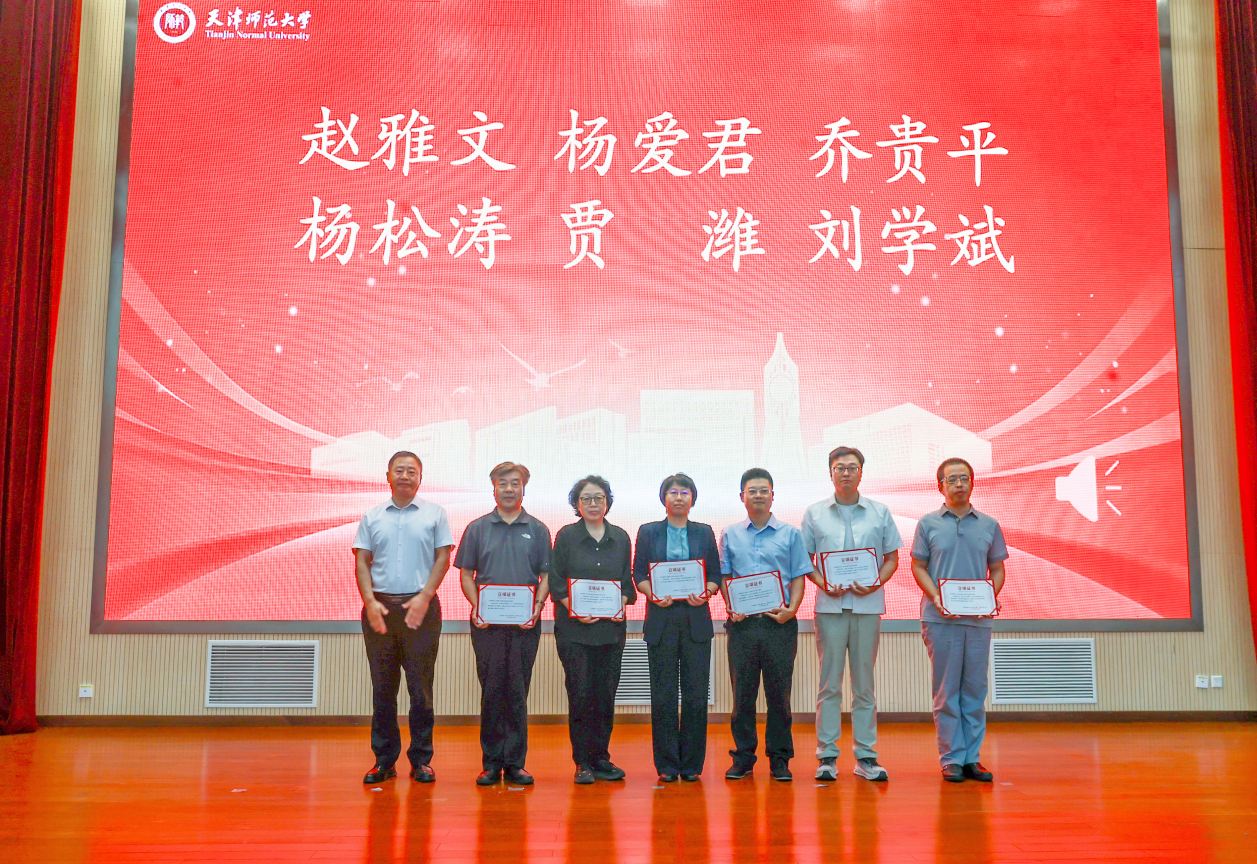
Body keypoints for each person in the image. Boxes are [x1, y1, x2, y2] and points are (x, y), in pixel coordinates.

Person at [800, 446, 901, 782]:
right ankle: (826, 756)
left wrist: (875, 583)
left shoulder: (879, 512)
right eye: (839, 467)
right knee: (829, 684)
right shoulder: (815, 513)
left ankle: (866, 756)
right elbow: (805, 562)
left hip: (867, 607)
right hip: (829, 607)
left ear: (861, 472)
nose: (845, 472)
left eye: (852, 467)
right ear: (830, 473)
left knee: (864, 685)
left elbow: (892, 559)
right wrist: (823, 583)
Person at [354, 451, 454, 785]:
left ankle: (421, 760)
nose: (406, 476)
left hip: (421, 608)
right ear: (388, 476)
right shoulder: (372, 516)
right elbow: (362, 561)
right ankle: (384, 760)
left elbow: (443, 558)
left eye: (412, 471)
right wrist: (369, 602)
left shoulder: (435, 514)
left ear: (420, 478)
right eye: (400, 470)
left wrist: (424, 597)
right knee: (383, 689)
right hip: (380, 608)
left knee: (420, 688)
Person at [910, 457, 1008, 783]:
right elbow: (918, 566)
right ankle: (951, 757)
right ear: (940, 486)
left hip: (978, 620)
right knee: (946, 690)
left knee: (975, 690)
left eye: (964, 478)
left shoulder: (989, 525)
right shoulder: (928, 524)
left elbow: (997, 568)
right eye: (952, 479)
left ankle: (972, 758)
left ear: (972, 483)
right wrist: (936, 596)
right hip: (940, 619)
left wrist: (991, 596)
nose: (959, 484)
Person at [455, 461, 552, 786]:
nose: (509, 489)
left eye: (515, 483)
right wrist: (477, 606)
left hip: (526, 623)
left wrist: (538, 606)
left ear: (524, 488)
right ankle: (491, 763)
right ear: (493, 488)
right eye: (503, 483)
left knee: (518, 691)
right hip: (487, 625)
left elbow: (546, 575)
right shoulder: (477, 528)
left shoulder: (538, 529)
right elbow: (466, 574)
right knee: (492, 690)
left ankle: (515, 764)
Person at [719, 468, 813, 782]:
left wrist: (792, 609)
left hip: (779, 624)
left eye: (764, 490)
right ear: (742, 497)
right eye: (752, 490)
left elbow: (798, 576)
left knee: (779, 696)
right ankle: (743, 757)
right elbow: (726, 576)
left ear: (773, 495)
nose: (758, 495)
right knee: (742, 696)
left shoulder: (791, 534)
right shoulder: (730, 534)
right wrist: (732, 606)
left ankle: (780, 759)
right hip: (743, 626)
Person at [633, 472, 721, 783]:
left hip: (696, 620)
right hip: (661, 619)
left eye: (685, 492)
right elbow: (639, 573)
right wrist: (652, 593)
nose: (679, 497)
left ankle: (693, 764)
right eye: (673, 492)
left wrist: (706, 592)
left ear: (692, 498)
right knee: (663, 694)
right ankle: (667, 765)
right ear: (664, 498)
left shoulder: (704, 532)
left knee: (696, 695)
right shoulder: (648, 532)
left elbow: (715, 575)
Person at [549, 475, 637, 785]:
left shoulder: (621, 537)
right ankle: (582, 761)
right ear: (577, 503)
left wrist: (619, 603)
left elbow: (626, 583)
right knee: (580, 694)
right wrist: (574, 607)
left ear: (607, 502)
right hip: (575, 632)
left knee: (605, 695)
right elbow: (556, 581)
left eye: (599, 497)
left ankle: (601, 757)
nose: (593, 503)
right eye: (586, 498)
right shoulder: (566, 536)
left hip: (610, 632)